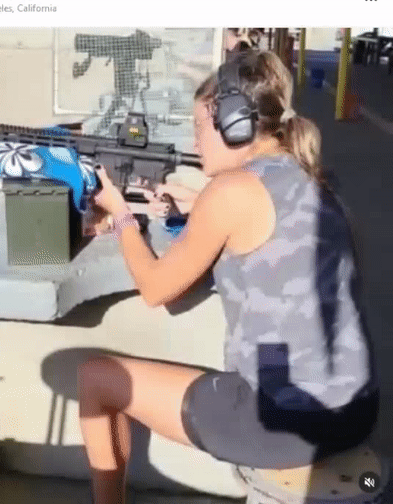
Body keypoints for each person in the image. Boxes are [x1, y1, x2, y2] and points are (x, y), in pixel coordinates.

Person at [77, 49, 379, 504]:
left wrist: (120, 215)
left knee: (96, 379)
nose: (195, 140)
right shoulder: (315, 178)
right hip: (356, 411)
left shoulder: (229, 192)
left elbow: (157, 290)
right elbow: (265, 231)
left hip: (283, 423)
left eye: (200, 126)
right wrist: (197, 207)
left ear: (234, 125)